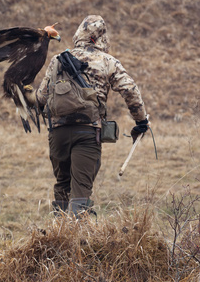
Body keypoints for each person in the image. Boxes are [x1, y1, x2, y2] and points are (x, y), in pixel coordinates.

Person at [27, 15, 148, 217]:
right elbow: (130, 90)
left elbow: (40, 98)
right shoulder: (107, 61)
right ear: (101, 37)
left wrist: (25, 93)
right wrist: (141, 122)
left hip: (58, 134)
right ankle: (78, 238)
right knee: (81, 191)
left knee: (62, 186)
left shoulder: (58, 60)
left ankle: (59, 236)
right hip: (88, 133)